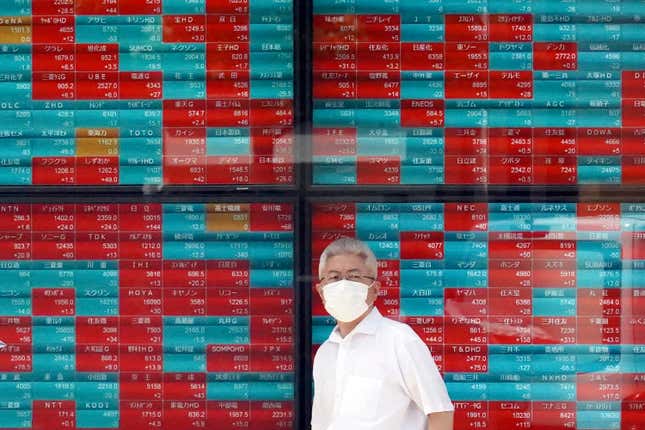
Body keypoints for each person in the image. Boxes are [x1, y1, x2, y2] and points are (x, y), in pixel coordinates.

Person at [311, 237, 455, 430]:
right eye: (334, 277)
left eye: (354, 276)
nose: (343, 285)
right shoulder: (325, 354)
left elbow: (440, 413)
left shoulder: (400, 340)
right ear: (321, 291)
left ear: (375, 289)